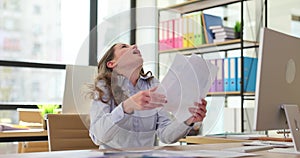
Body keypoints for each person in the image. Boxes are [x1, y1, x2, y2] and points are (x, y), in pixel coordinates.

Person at [88, 43, 207, 149]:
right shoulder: (103, 86)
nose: (134, 46)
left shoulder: (152, 84)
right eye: (124, 47)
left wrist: (187, 121)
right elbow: (98, 137)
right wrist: (127, 106)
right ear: (112, 63)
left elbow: (165, 135)